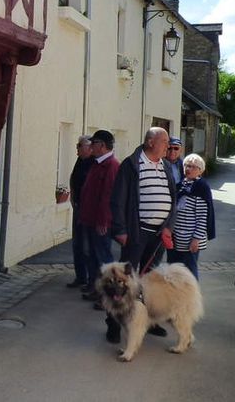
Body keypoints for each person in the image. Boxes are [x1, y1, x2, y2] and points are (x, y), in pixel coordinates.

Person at [107, 127, 178, 342]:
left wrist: (168, 226)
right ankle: (113, 324)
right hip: (137, 232)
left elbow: (172, 200)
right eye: (164, 142)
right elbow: (117, 200)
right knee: (122, 281)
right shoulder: (131, 165)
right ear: (150, 142)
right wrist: (120, 229)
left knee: (151, 282)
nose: (168, 146)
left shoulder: (166, 166)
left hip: (158, 236)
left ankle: (150, 321)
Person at [78, 130, 120, 304]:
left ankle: (110, 296)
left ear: (102, 145)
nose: (90, 147)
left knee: (104, 260)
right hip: (90, 219)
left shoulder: (111, 165)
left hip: (100, 222)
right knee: (94, 258)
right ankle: (97, 290)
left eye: (93, 143)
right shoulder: (97, 163)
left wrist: (103, 220)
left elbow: (108, 196)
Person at [167, 153, 215, 279]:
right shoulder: (180, 186)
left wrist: (196, 239)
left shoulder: (201, 187)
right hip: (175, 237)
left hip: (190, 240)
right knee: (174, 271)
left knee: (189, 273)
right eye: (187, 165)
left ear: (200, 171)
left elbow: (202, 217)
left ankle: (191, 297)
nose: (189, 169)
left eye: (194, 167)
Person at [66, 136, 95, 289]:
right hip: (78, 208)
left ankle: (91, 280)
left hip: (88, 211)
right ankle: (81, 277)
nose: (77, 148)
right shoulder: (81, 161)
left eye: (79, 146)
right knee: (77, 244)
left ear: (89, 148)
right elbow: (74, 179)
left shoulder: (94, 163)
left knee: (86, 246)